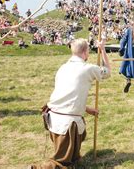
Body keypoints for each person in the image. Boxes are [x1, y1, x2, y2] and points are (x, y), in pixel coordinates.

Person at [31, 38, 111, 169]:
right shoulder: (88, 68)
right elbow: (107, 71)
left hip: (53, 118)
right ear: (85, 52)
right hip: (66, 124)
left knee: (74, 156)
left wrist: (86, 109)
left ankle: (73, 159)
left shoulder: (63, 67)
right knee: (61, 162)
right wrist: (102, 50)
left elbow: (68, 96)